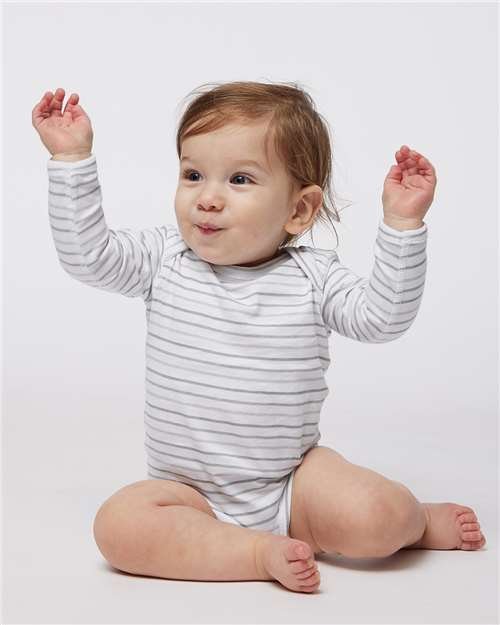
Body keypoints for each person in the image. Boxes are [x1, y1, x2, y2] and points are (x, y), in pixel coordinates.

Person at [32, 82, 485, 594]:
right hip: (184, 495)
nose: (207, 198)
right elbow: (88, 257)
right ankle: (254, 552)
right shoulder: (163, 259)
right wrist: (71, 160)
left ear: (299, 210)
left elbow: (382, 319)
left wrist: (402, 225)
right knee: (117, 527)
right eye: (193, 174)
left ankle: (419, 522)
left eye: (240, 179)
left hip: (292, 485)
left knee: (377, 517)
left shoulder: (313, 278)